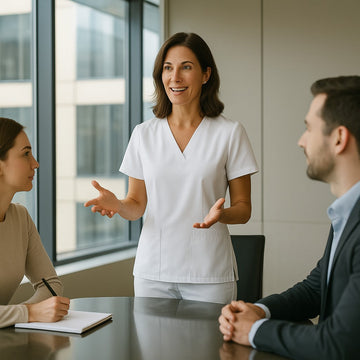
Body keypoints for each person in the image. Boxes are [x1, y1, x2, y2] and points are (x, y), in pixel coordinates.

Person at [85, 32, 258, 304]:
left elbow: (244, 209)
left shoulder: (230, 133)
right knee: (154, 349)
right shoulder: (144, 134)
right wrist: (118, 204)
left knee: (211, 348)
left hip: (209, 274)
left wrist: (221, 215)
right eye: (168, 68)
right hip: (153, 273)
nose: (175, 77)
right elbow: (137, 206)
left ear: (205, 75)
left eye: (186, 67)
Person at [219, 75, 360, 359]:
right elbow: (317, 289)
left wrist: (254, 330)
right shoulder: (347, 212)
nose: (301, 141)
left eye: (309, 128)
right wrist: (260, 309)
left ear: (339, 138)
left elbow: (339, 343)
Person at [0, 117, 70, 328]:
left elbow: (51, 285)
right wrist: (27, 313)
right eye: (26, 154)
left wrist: (21, 316)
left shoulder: (20, 217)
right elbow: (29, 312)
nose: (36, 163)